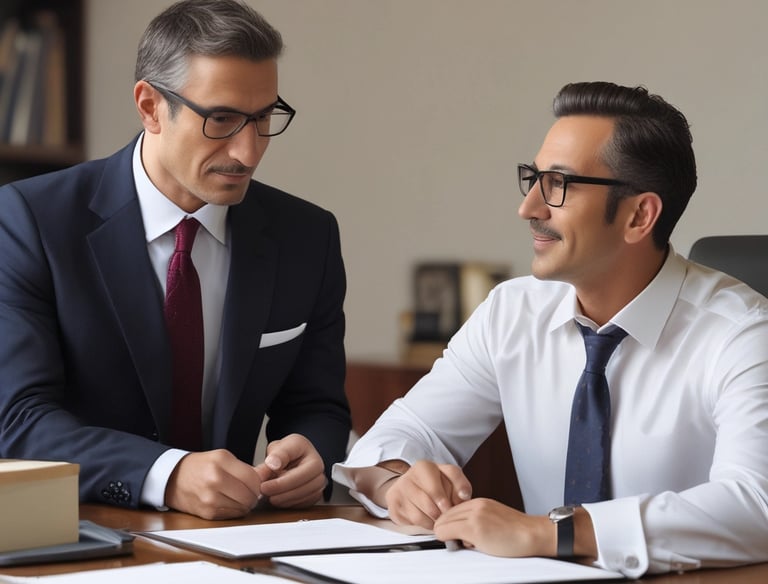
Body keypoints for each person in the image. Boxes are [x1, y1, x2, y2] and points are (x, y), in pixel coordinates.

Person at [333, 81, 768, 577]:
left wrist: (553, 532)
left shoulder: (743, 334)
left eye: (558, 185)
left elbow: (756, 505)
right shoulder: (512, 312)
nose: (529, 208)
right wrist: (398, 482)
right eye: (533, 178)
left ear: (639, 215)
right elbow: (403, 433)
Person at [0, 0, 351, 521]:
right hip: (84, 538)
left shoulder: (307, 236)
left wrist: (313, 452)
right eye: (223, 119)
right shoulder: (30, 221)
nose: (248, 152)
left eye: (263, 118)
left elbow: (318, 405)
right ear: (149, 106)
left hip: (243, 541)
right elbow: (18, 419)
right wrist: (165, 474)